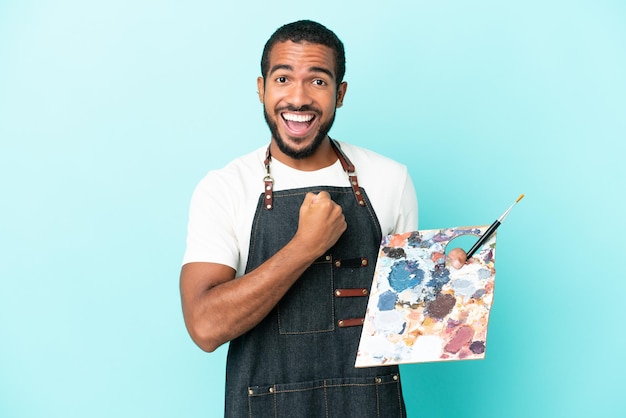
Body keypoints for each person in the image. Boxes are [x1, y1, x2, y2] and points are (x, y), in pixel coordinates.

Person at [180, 20, 466, 417]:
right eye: (283, 78)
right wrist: (304, 247)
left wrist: (453, 289)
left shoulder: (390, 179)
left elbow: (411, 330)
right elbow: (205, 327)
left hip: (369, 405)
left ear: (340, 93)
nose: (298, 98)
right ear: (261, 88)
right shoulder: (224, 188)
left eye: (317, 81)